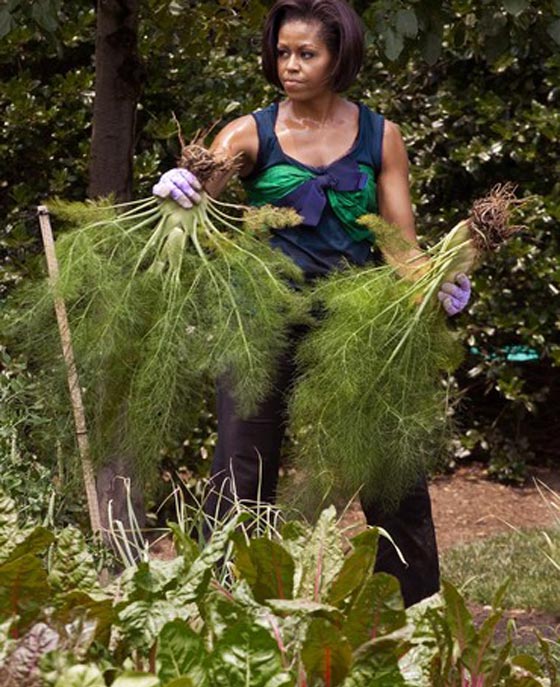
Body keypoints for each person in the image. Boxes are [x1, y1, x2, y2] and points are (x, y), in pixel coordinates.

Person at [153, 0, 471, 607]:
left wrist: (438, 286)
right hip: (262, 318)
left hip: (355, 319)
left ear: (338, 58)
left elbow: (400, 245)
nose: (290, 66)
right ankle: (221, 611)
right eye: (282, 53)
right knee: (241, 470)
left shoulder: (380, 136)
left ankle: (414, 616)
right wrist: (178, 193)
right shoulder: (246, 133)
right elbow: (197, 216)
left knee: (391, 465)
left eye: (307, 53)